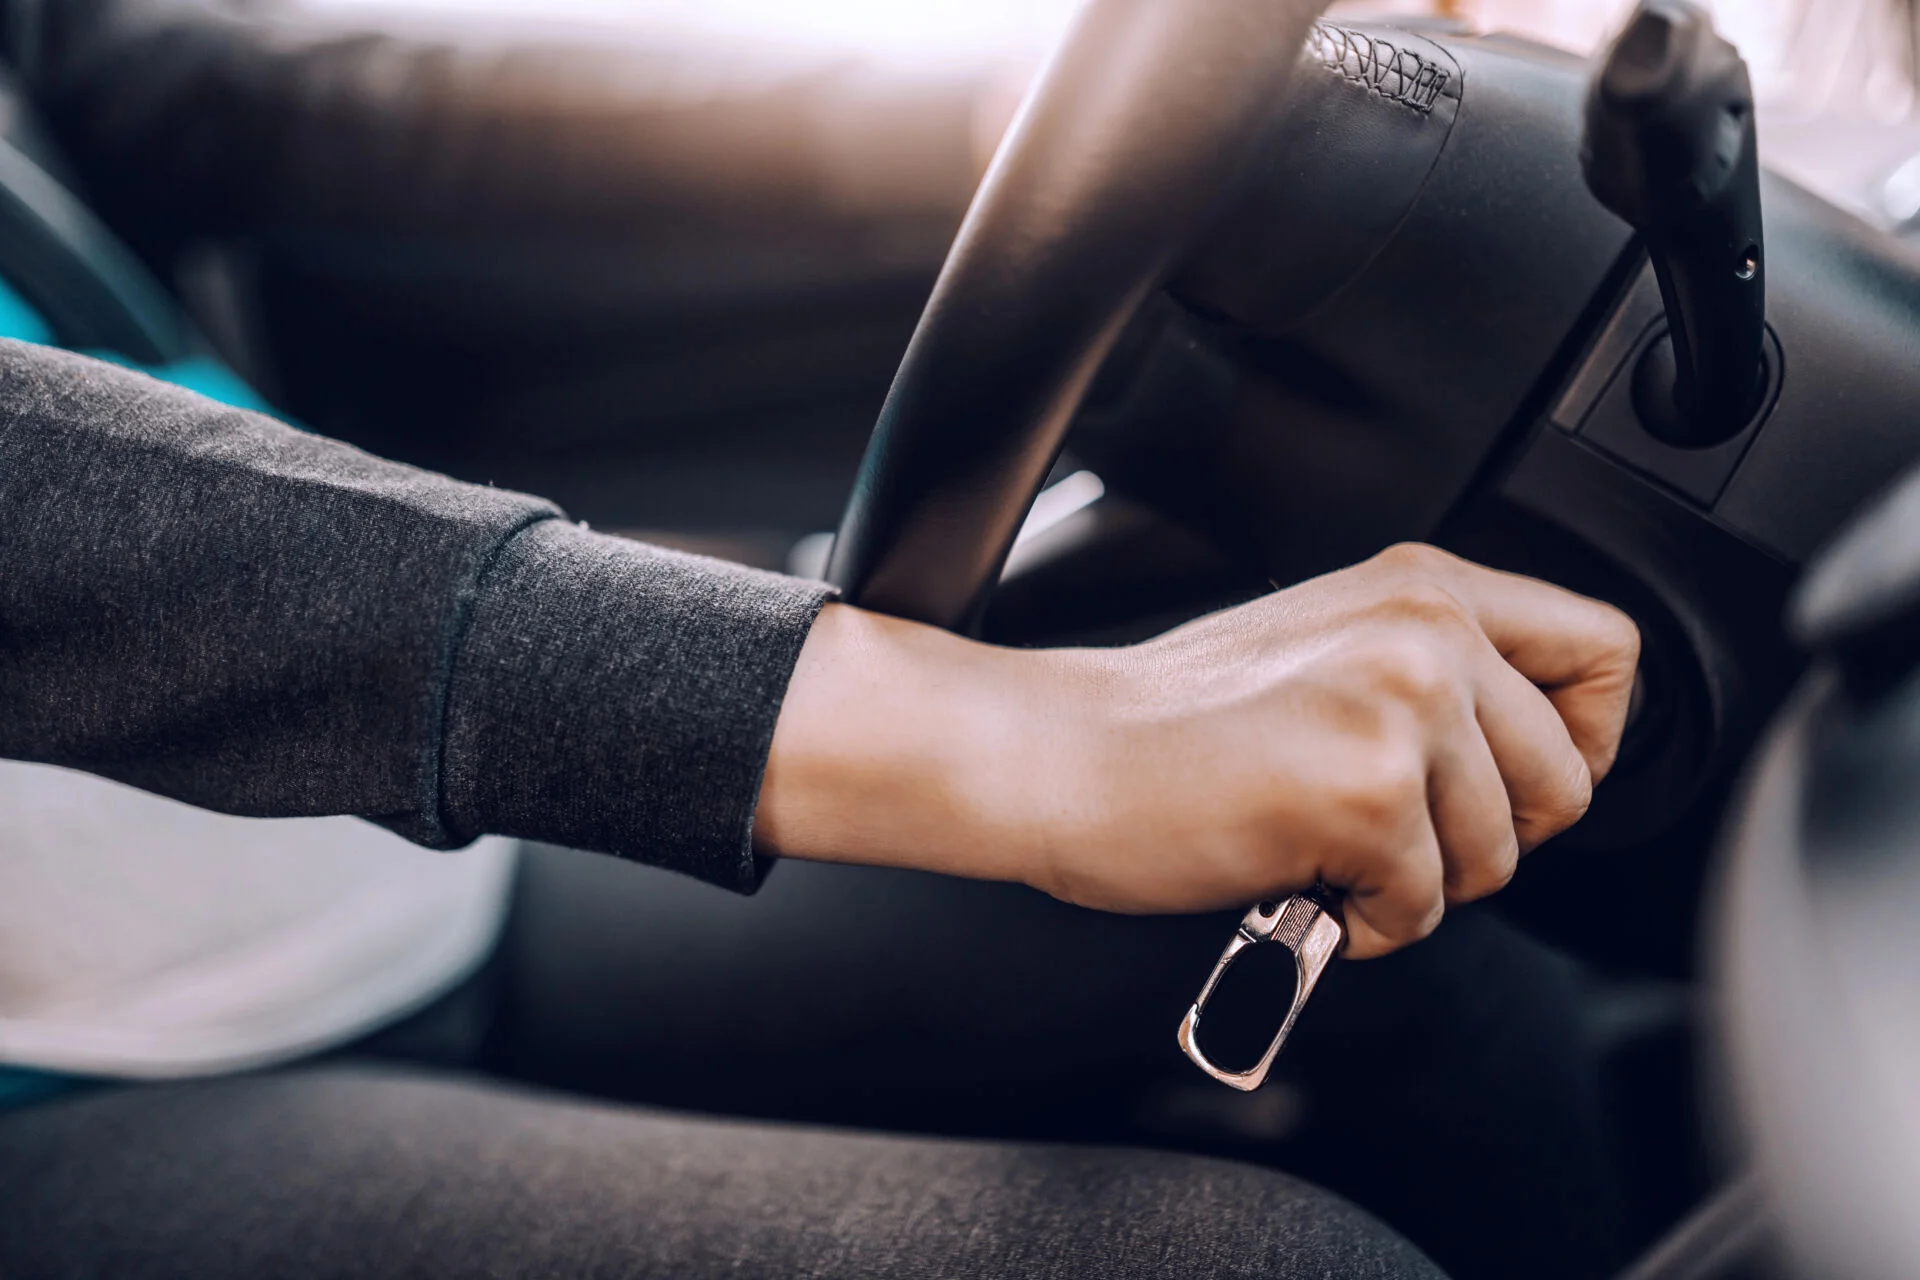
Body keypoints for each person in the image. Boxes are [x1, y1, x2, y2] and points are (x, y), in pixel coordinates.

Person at [0, 3, 1640, 1277]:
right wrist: (1018, 740)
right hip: (67, 1090)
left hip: (376, 862)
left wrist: (978, 113)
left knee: (1423, 914)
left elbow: (192, 89)